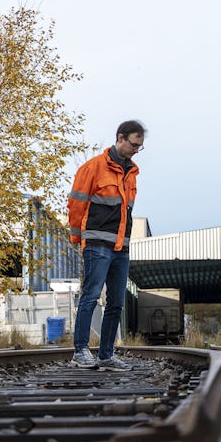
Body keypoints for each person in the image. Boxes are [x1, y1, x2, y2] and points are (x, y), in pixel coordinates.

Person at [67, 119, 145, 371]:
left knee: (116, 302)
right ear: (120, 138)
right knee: (91, 296)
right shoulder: (93, 167)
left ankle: (106, 355)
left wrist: (124, 243)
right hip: (97, 243)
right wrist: (78, 238)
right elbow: (76, 205)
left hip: (121, 247)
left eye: (140, 147)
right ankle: (80, 350)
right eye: (134, 145)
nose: (136, 150)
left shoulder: (131, 173)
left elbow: (125, 212)